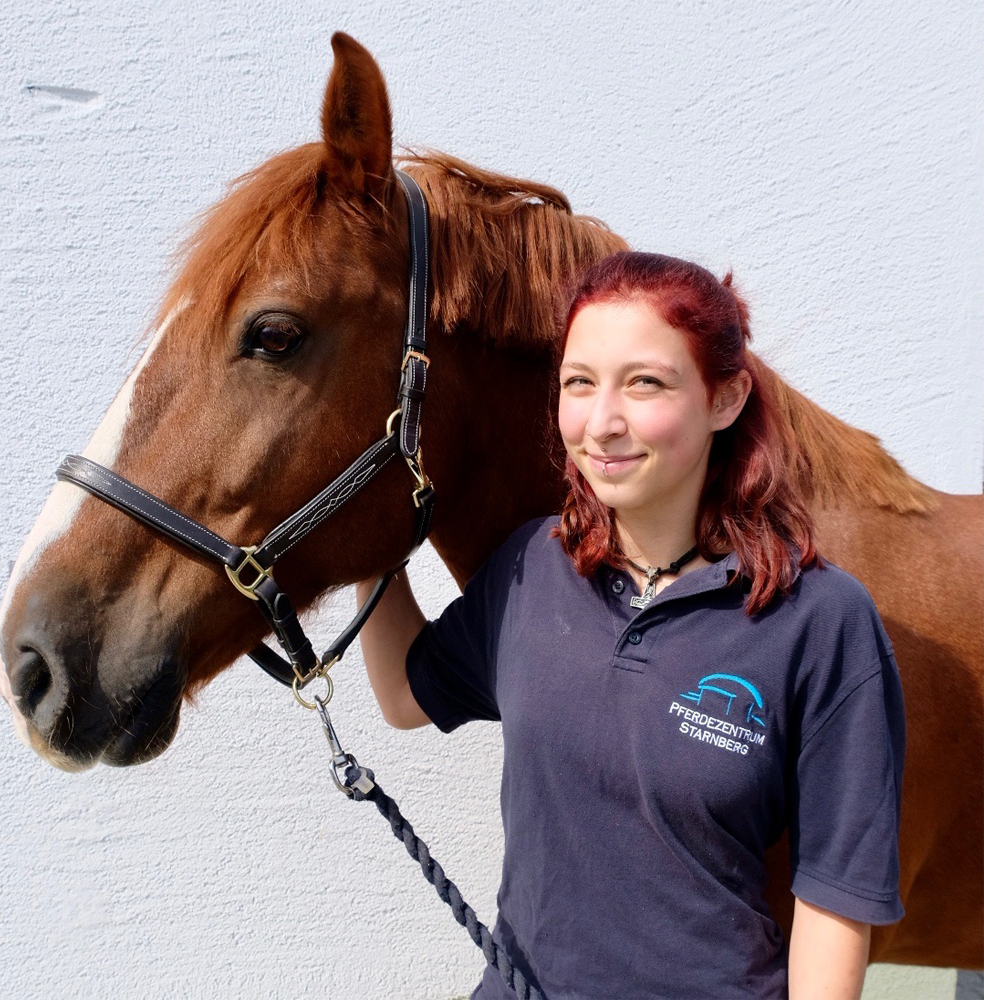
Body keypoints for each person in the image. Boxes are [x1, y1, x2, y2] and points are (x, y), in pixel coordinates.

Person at [356, 251, 905, 1000]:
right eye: (579, 383)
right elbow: (402, 693)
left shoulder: (821, 621)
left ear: (726, 399)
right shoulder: (531, 568)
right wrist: (365, 540)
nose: (602, 423)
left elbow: (835, 901)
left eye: (644, 383)